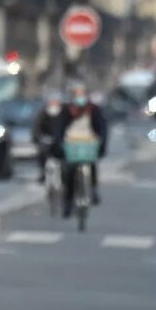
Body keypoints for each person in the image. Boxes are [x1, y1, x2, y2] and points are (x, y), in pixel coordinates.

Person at [56, 83, 107, 217]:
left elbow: (102, 126)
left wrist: (101, 140)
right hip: (72, 142)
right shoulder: (67, 110)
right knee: (70, 172)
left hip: (89, 140)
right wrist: (60, 142)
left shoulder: (93, 109)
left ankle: (94, 189)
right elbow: (59, 127)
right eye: (77, 94)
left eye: (82, 94)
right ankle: (68, 202)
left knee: (91, 163)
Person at [32, 93, 64, 184]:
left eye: (56, 102)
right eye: (52, 102)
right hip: (46, 140)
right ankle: (43, 172)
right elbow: (37, 128)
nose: (54, 104)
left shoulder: (63, 113)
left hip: (59, 140)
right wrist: (38, 138)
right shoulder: (43, 113)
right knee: (42, 154)